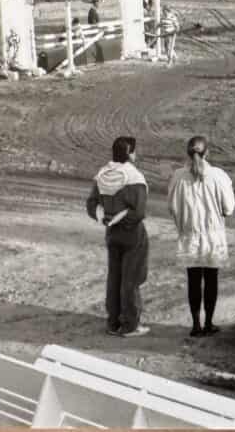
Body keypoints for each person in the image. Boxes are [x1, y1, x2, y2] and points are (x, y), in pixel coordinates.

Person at [167, 135, 235, 337]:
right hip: (213, 236)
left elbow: (172, 207)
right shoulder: (218, 175)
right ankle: (209, 323)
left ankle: (196, 324)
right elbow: (229, 208)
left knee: (194, 280)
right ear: (207, 153)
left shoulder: (178, 176)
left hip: (189, 235)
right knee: (211, 280)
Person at [86, 136, 150, 337]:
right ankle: (130, 324)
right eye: (134, 151)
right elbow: (138, 212)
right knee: (131, 279)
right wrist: (123, 220)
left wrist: (106, 220)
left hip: (111, 233)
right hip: (132, 234)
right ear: (130, 154)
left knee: (114, 277)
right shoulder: (134, 177)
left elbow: (91, 204)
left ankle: (113, 322)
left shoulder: (102, 175)